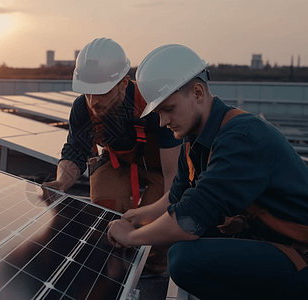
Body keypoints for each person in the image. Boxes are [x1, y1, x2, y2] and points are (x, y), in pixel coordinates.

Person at [107, 44, 308, 300]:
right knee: (187, 238)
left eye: (168, 109)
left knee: (183, 259)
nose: (163, 122)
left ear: (198, 92)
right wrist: (136, 216)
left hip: (300, 254)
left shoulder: (242, 138)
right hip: (268, 240)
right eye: (158, 113)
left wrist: (133, 237)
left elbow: (189, 219)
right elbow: (177, 197)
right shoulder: (195, 139)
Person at [42, 38, 182, 275]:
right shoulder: (82, 108)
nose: (93, 101)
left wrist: (165, 216)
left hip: (159, 166)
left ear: (123, 82)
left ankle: (153, 267)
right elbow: (75, 149)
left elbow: (173, 174)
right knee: (105, 208)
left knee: (154, 222)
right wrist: (60, 183)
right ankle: (113, 264)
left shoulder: (152, 104)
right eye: (88, 92)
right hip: (117, 161)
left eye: (101, 92)